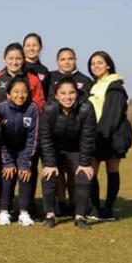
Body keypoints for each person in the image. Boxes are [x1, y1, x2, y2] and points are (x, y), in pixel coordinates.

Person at [41, 77, 97, 230]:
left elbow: (88, 137)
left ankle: (80, 216)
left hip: (77, 149)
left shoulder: (87, 108)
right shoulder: (49, 109)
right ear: (56, 95)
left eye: (71, 93)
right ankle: (50, 215)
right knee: (49, 175)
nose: (67, 97)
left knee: (85, 176)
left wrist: (85, 163)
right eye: (63, 93)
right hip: (55, 148)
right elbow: (45, 138)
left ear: (77, 94)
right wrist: (50, 164)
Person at [46, 47, 93, 215]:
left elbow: (86, 106)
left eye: (70, 58)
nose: (66, 62)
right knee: (57, 171)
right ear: (57, 61)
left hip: (76, 135)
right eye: (63, 59)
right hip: (57, 133)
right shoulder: (51, 77)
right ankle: (62, 202)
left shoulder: (84, 80)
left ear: (75, 59)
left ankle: (75, 203)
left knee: (75, 173)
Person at [88, 51, 132, 221]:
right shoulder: (94, 85)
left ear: (108, 65)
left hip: (112, 136)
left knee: (112, 170)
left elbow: (112, 115)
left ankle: (108, 209)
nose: (96, 66)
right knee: (91, 172)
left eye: (100, 62)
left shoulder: (115, 86)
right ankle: (95, 208)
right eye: (93, 63)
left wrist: (102, 134)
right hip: (95, 134)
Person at [0, 77, 40, 226]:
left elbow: (33, 138)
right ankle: (3, 211)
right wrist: (7, 161)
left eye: (24, 92)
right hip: (5, 148)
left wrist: (26, 163)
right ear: (8, 94)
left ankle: (24, 212)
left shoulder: (32, 109)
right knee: (7, 174)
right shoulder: (0, 108)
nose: (20, 95)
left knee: (25, 173)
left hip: (24, 149)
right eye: (16, 92)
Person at [0, 42, 46, 111]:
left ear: (23, 59)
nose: (14, 63)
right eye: (10, 59)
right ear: (4, 59)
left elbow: (39, 104)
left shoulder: (33, 80)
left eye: (18, 59)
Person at [23, 32, 51, 97]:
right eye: (28, 46)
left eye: (34, 45)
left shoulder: (44, 70)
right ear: (23, 48)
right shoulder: (18, 67)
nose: (31, 49)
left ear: (40, 47)